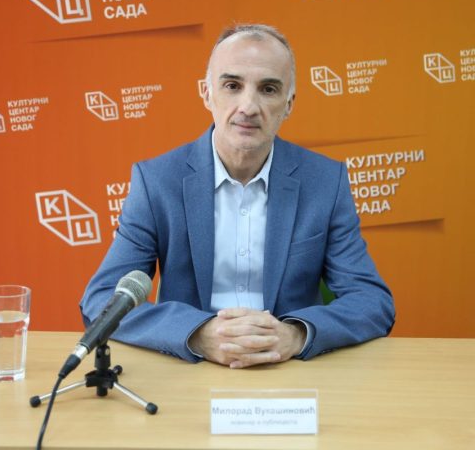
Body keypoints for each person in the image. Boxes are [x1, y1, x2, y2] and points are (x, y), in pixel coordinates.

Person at [80, 24, 395, 369]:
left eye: (268, 89)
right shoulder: (157, 181)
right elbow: (102, 300)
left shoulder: (324, 182)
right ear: (207, 94)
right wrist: (198, 335)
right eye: (232, 86)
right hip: (192, 367)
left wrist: (295, 335)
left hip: (288, 368)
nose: (248, 106)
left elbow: (371, 300)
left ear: (289, 104)